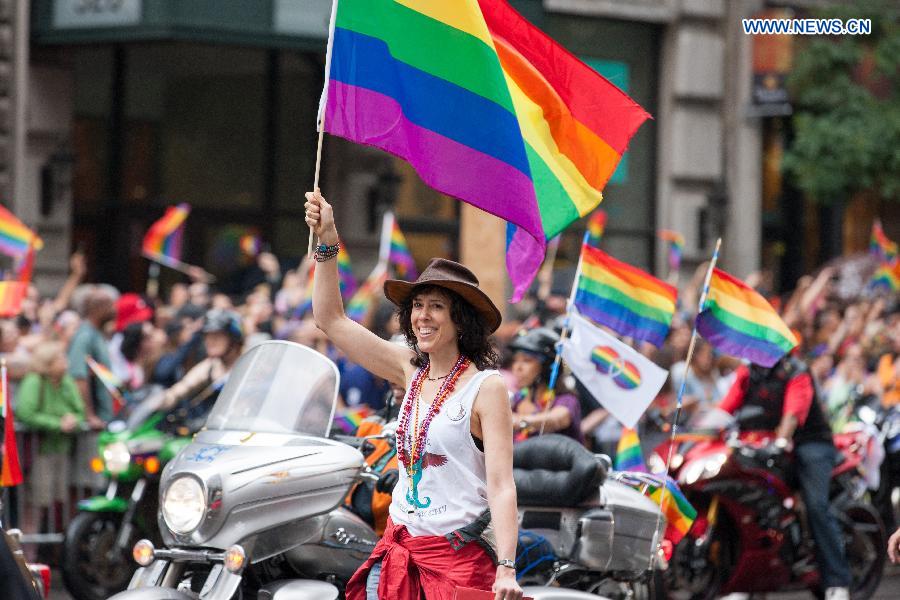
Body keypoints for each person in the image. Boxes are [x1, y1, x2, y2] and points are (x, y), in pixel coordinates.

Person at [306, 190, 522, 600]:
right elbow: (329, 319)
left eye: (436, 306)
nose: (422, 316)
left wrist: (507, 568)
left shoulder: (486, 387)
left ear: (460, 321)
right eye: (417, 305)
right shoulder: (408, 367)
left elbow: (501, 485)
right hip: (397, 554)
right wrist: (328, 240)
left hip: (458, 563)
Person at [718, 355, 851, 600]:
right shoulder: (747, 373)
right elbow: (724, 409)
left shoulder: (796, 370)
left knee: (816, 506)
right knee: (746, 503)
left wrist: (781, 441)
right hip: (763, 445)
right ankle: (745, 582)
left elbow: (793, 414)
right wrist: (704, 429)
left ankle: (837, 581)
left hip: (809, 444)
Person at [15, 341, 85, 535]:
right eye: (60, 358)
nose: (66, 362)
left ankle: (50, 547)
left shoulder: (66, 381)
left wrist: (74, 420)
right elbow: (26, 413)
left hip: (62, 450)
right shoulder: (34, 381)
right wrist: (57, 424)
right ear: (47, 362)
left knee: (56, 503)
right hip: (40, 451)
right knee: (36, 503)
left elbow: (80, 411)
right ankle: (28, 548)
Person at [507, 327, 583, 444]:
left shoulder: (566, 399)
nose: (517, 367)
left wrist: (519, 421)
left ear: (546, 366)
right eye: (515, 361)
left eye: (527, 360)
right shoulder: (517, 399)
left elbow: (558, 419)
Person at [158, 309, 244, 411]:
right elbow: (183, 387)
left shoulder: (251, 363)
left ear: (234, 338)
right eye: (207, 336)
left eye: (216, 336)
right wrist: (162, 399)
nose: (209, 341)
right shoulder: (211, 366)